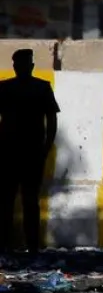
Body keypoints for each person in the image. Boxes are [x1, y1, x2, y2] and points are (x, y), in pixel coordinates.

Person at [0, 48, 59, 256]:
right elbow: (51, 120)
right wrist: (46, 146)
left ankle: (14, 244)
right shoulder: (40, 88)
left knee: (14, 200)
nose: (21, 68)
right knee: (24, 201)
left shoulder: (7, 88)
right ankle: (29, 246)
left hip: (18, 152)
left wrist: (46, 146)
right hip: (21, 152)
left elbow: (52, 120)